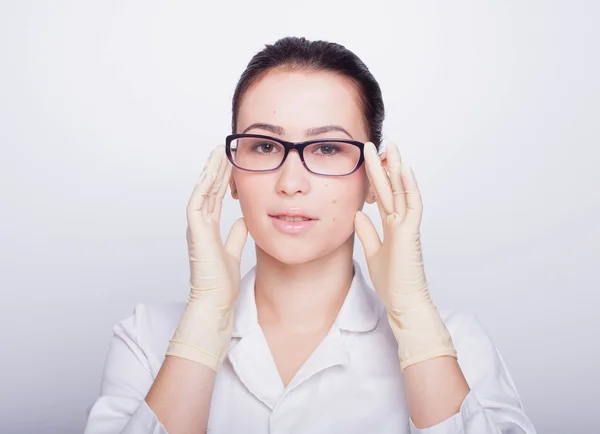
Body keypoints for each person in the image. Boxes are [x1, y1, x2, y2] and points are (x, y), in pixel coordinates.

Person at [84, 37, 537, 434]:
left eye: (327, 148)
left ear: (373, 179)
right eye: (264, 146)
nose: (291, 182)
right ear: (232, 175)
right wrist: (204, 320)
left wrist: (414, 317)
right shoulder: (146, 338)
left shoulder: (457, 341)